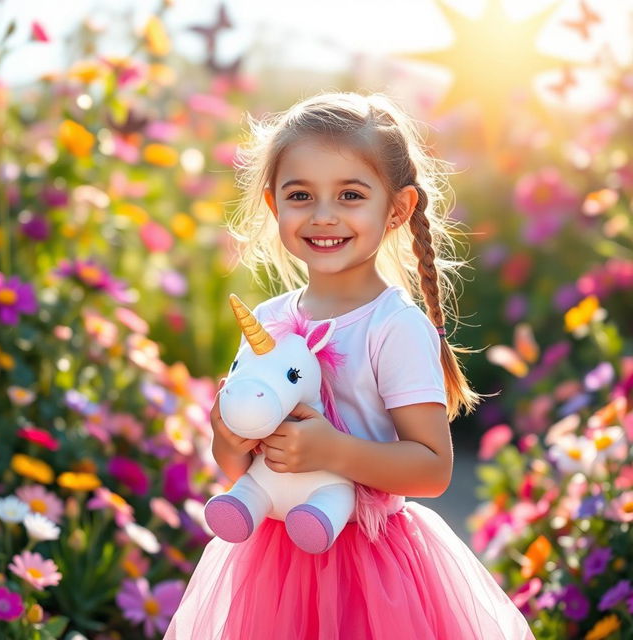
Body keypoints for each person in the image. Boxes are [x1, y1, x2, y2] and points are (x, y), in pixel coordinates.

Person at [164, 91, 535, 639]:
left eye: (350, 194)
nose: (323, 215)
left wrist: (332, 451)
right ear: (274, 205)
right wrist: (229, 433)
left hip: (369, 565)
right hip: (273, 562)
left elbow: (432, 469)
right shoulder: (265, 321)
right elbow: (238, 467)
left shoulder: (394, 327)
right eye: (300, 195)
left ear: (397, 209)